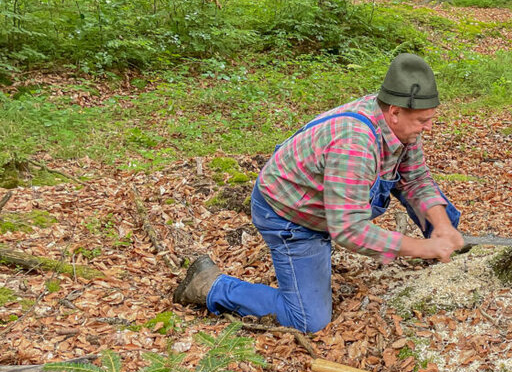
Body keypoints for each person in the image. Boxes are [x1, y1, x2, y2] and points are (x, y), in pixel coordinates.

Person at [173, 53, 464, 333]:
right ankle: (211, 284)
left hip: (330, 203)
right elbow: (349, 230)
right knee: (308, 319)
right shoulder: (355, 145)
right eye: (422, 121)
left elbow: (415, 178)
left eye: (430, 118)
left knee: (439, 214)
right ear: (395, 112)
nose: (428, 127)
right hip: (290, 216)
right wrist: (418, 247)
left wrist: (441, 225)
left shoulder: (400, 125)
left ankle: (442, 247)